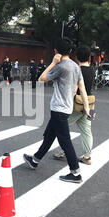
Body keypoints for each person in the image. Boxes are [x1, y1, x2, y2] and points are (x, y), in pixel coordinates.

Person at [23, 38, 92, 184]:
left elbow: (41, 78)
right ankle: (35, 160)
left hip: (58, 109)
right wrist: (87, 108)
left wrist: (53, 62)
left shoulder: (61, 66)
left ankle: (76, 173)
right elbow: (83, 89)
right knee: (49, 136)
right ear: (70, 51)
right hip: (66, 108)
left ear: (56, 51)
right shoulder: (75, 66)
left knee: (65, 141)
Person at [52, 45, 95, 165]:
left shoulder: (76, 69)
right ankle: (87, 156)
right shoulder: (92, 70)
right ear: (89, 58)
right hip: (89, 104)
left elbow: (75, 89)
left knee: (63, 128)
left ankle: (64, 152)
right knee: (87, 131)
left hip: (77, 104)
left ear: (76, 57)